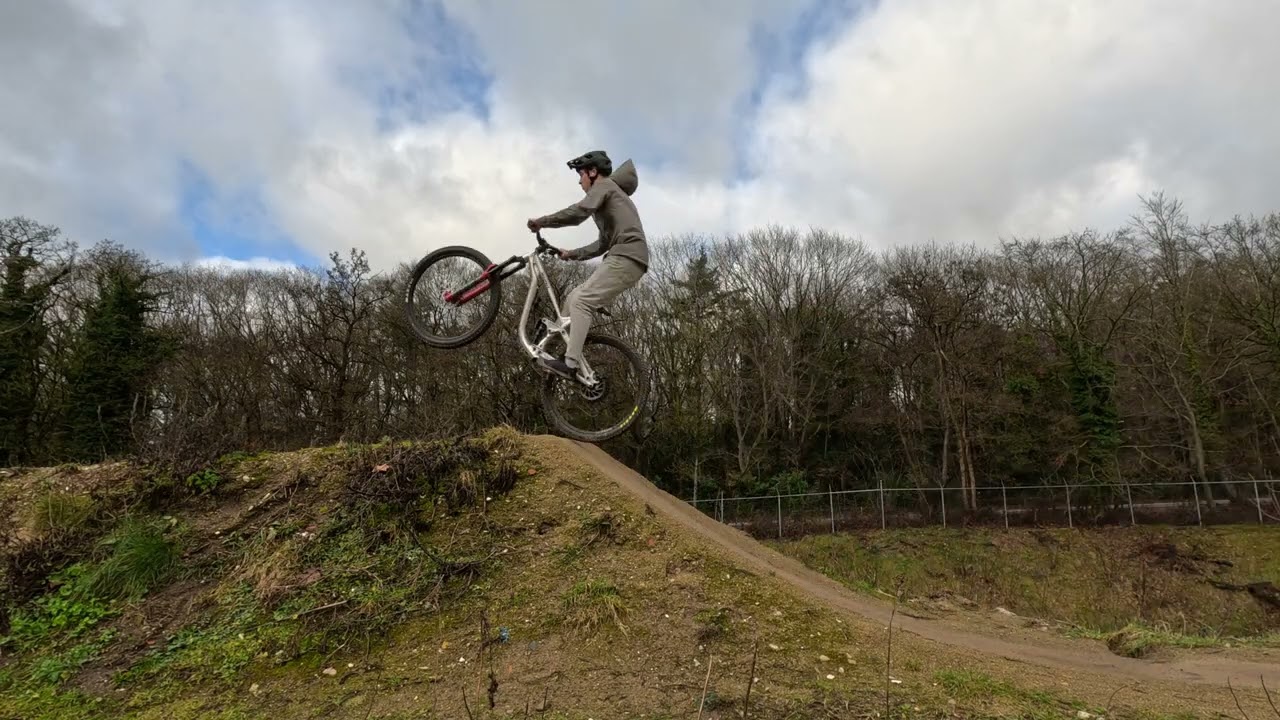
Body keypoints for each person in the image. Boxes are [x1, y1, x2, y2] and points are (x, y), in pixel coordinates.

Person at [526, 150, 648, 382]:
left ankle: (570, 364)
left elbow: (578, 212)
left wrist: (543, 222)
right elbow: (602, 243)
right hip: (623, 258)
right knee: (573, 297)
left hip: (626, 257)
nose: (579, 181)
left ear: (593, 172)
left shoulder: (604, 186)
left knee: (582, 302)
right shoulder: (610, 199)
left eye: (581, 175)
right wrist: (572, 254)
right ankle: (561, 346)